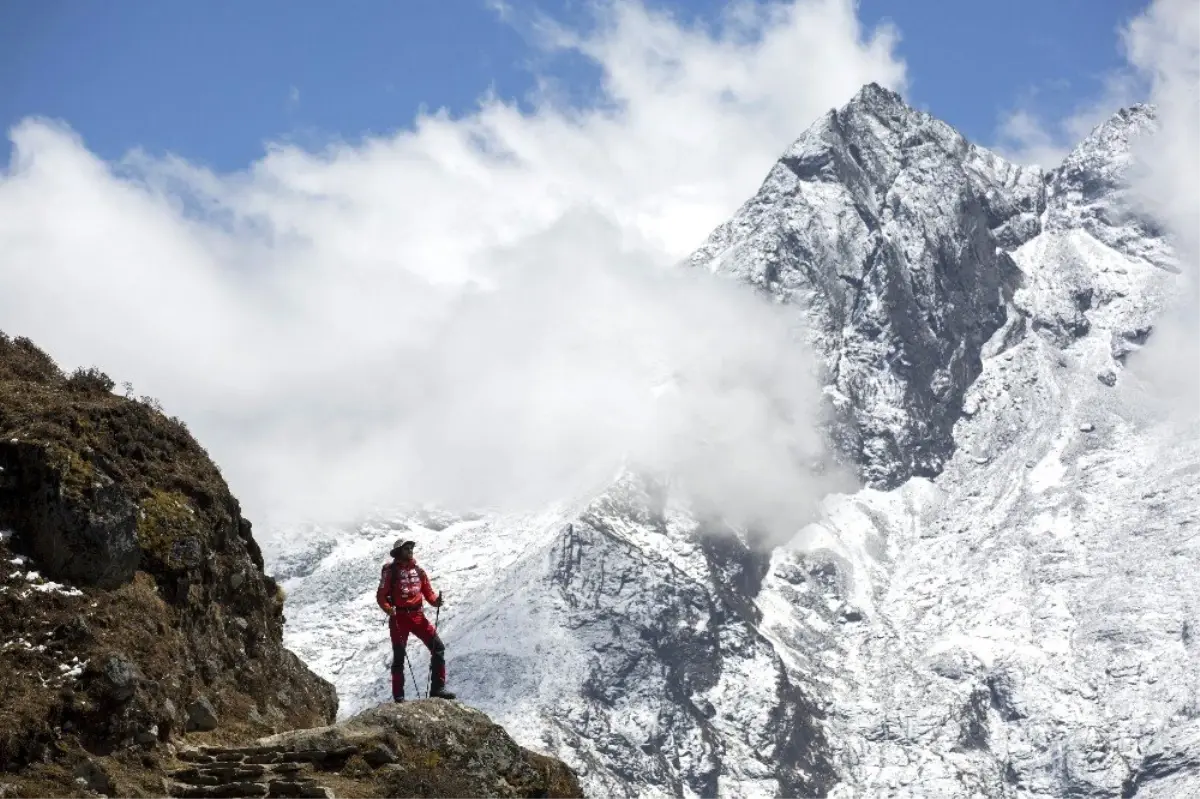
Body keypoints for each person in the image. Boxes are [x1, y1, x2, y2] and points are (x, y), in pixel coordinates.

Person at [376, 539, 456, 701]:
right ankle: (399, 696)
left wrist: (436, 601)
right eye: (407, 548)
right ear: (399, 551)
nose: (410, 550)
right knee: (399, 656)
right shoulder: (390, 571)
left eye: (411, 548)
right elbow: (381, 595)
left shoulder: (419, 571)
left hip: (418, 616)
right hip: (399, 617)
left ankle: (437, 689)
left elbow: (429, 593)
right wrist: (388, 609)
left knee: (438, 647)